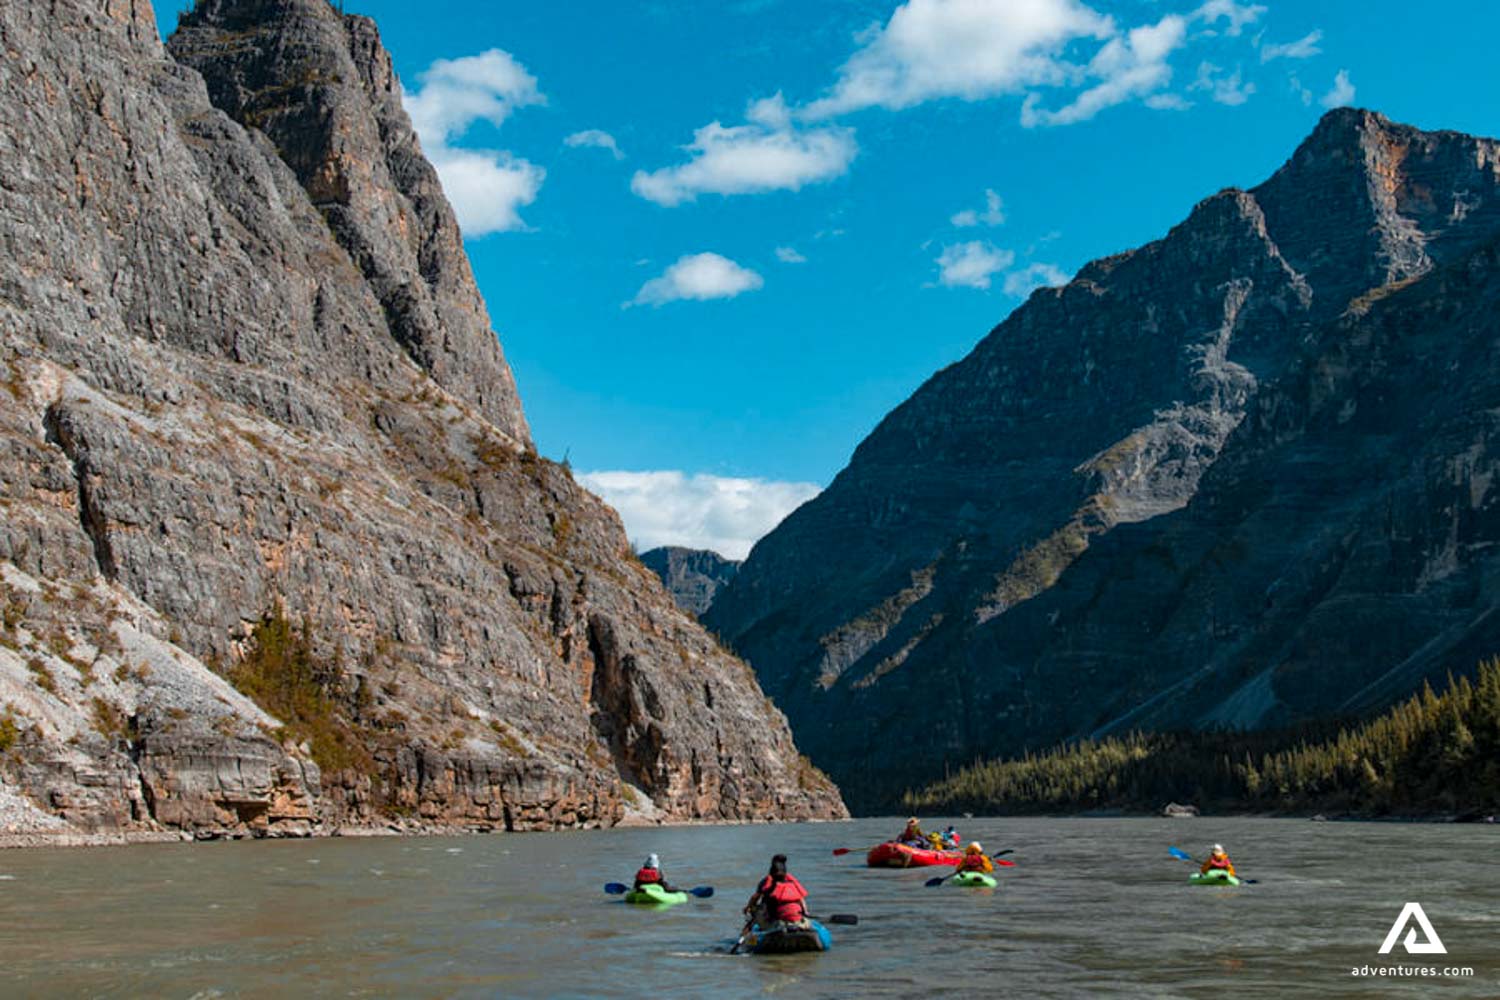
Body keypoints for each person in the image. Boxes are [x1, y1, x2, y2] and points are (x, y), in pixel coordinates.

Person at [744, 854, 810, 927]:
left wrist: (748, 908)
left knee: (756, 910)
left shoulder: (768, 885)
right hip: (797, 919)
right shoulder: (792, 883)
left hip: (779, 920)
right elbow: (801, 899)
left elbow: (755, 898)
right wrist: (805, 912)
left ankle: (752, 926)